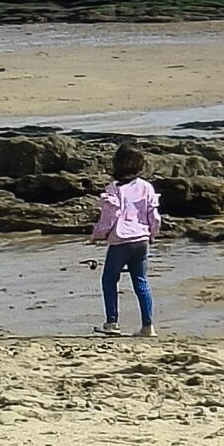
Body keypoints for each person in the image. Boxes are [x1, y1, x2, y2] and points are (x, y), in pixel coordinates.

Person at [92, 142, 162, 337]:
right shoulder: (146, 187)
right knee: (141, 281)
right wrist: (153, 234)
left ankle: (112, 323)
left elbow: (110, 217)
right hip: (141, 240)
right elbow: (154, 216)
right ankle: (148, 326)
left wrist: (98, 234)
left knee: (109, 280)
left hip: (120, 240)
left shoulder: (114, 189)